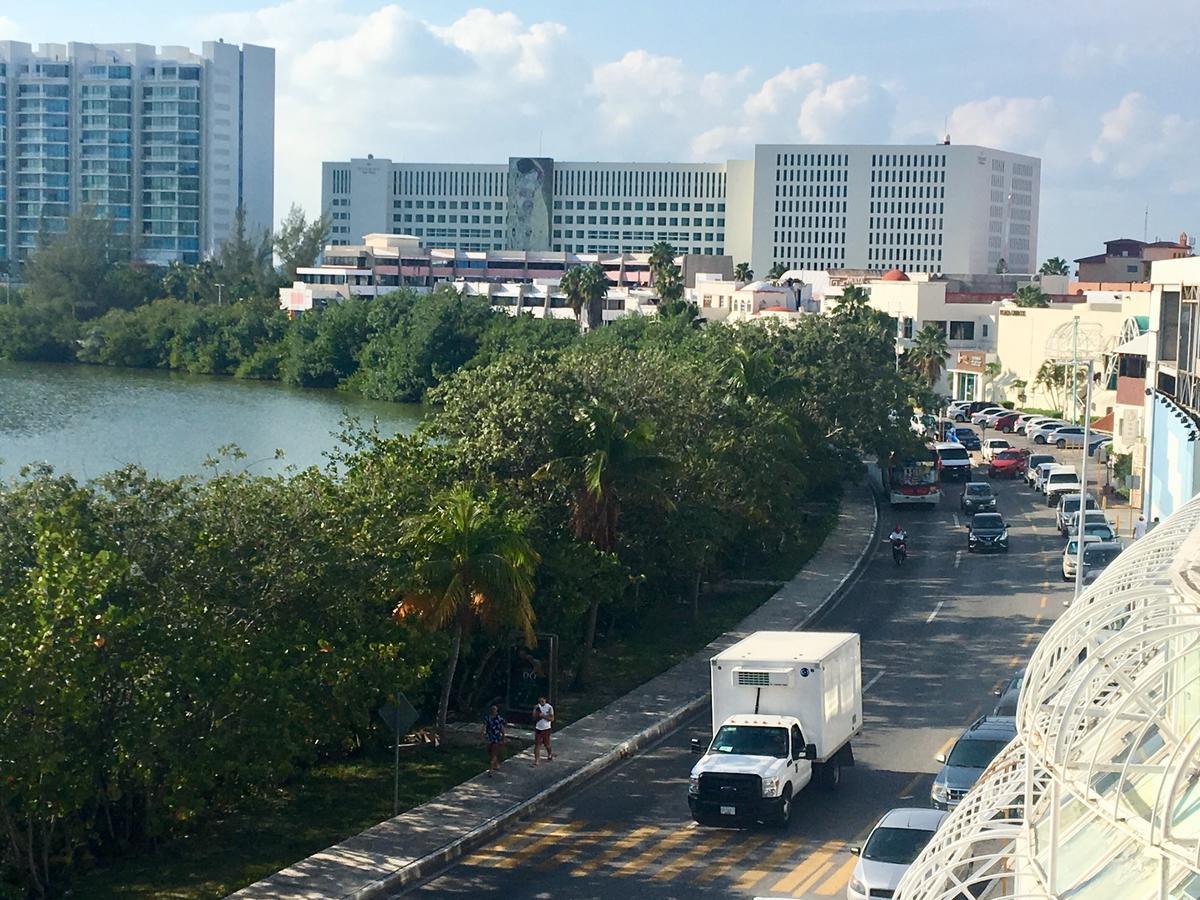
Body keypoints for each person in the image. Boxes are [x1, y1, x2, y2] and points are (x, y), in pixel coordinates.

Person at [481, 705, 506, 777]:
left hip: (496, 738)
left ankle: (491, 770)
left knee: (493, 753)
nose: (494, 711)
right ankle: (496, 764)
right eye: (493, 710)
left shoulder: (499, 718)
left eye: (495, 710)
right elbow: (484, 727)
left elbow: (502, 728)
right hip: (489, 737)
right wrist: (482, 735)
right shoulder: (487, 718)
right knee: (489, 752)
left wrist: (504, 736)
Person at [532, 695, 554, 766]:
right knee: (537, 745)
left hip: (546, 728)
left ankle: (550, 754)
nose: (541, 702)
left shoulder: (549, 707)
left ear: (545, 700)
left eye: (543, 701)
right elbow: (534, 717)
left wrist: (543, 716)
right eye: (540, 701)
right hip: (538, 728)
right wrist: (537, 715)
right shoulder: (536, 707)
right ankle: (536, 760)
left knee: (547, 744)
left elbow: (552, 718)